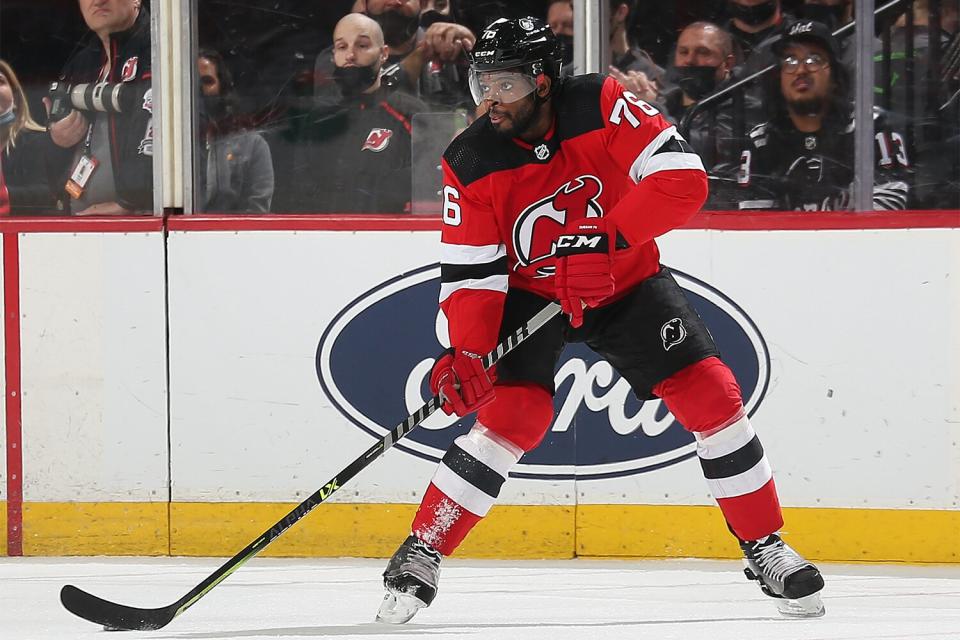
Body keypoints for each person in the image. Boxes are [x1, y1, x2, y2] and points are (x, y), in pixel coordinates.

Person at [375, 15, 825, 625]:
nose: (490, 101)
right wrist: (467, 354)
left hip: (624, 278)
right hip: (528, 292)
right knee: (514, 415)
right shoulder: (470, 157)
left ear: (542, 81)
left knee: (712, 393)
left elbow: (682, 180)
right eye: (481, 84)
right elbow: (471, 274)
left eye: (505, 86)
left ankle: (764, 546)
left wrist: (608, 240)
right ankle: (422, 548)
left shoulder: (601, 103)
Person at [735, 19, 911, 211]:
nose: (801, 70)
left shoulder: (873, 127)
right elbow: (756, 225)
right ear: (779, 77)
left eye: (814, 60)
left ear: (835, 75)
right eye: (790, 61)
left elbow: (890, 209)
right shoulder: (761, 142)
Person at [280, 13, 426, 213]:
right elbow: (299, 197)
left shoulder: (411, 113)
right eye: (342, 47)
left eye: (362, 45)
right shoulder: (316, 121)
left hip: (390, 238)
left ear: (383, 53)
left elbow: (425, 188)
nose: (350, 55)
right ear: (334, 56)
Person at [47, 0, 153, 215]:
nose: (98, 0)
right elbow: (48, 162)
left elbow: (167, 130)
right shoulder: (81, 62)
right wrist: (57, 139)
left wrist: (130, 204)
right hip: (80, 222)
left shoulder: (160, 48)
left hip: (141, 225)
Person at [661, 21, 750, 170]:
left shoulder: (743, 107)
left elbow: (705, 159)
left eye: (703, 52)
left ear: (727, 64)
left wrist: (653, 114)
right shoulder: (666, 102)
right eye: (683, 52)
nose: (690, 60)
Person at [360, 0, 476, 109]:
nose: (395, 2)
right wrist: (415, 61)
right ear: (364, 3)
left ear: (422, 3)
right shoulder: (348, 56)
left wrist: (475, 50)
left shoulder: (449, 43)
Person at [197, 49, 274, 213]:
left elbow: (257, 212)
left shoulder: (253, 145)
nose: (199, 90)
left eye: (206, 81)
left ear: (222, 87)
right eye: (193, 83)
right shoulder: (171, 144)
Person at [0, 59, 64, 215]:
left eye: (0, 81)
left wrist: (5, 195)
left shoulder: (37, 141)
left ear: (16, 97)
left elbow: (48, 194)